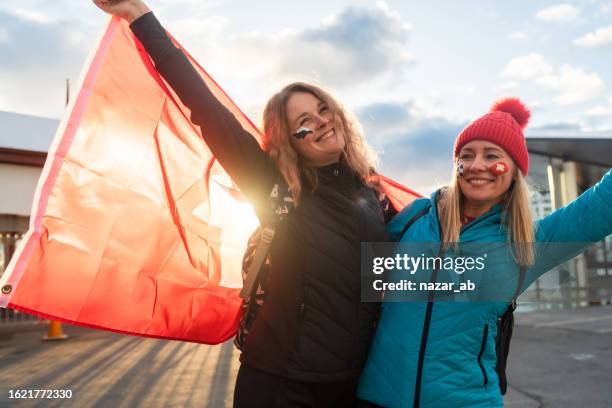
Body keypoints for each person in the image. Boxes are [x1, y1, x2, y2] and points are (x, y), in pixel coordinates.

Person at [92, 1, 399, 406]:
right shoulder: (277, 187)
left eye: (324, 110)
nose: (321, 121)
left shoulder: (374, 198)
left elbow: (412, 277)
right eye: (303, 123)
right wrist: (139, 15)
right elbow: (206, 109)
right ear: (290, 143)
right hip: (280, 383)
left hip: (351, 385)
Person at [357, 98, 612, 407]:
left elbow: (601, 205)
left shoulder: (527, 243)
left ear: (514, 170)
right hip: (376, 398)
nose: (477, 165)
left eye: (492, 155)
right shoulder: (413, 218)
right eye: (467, 155)